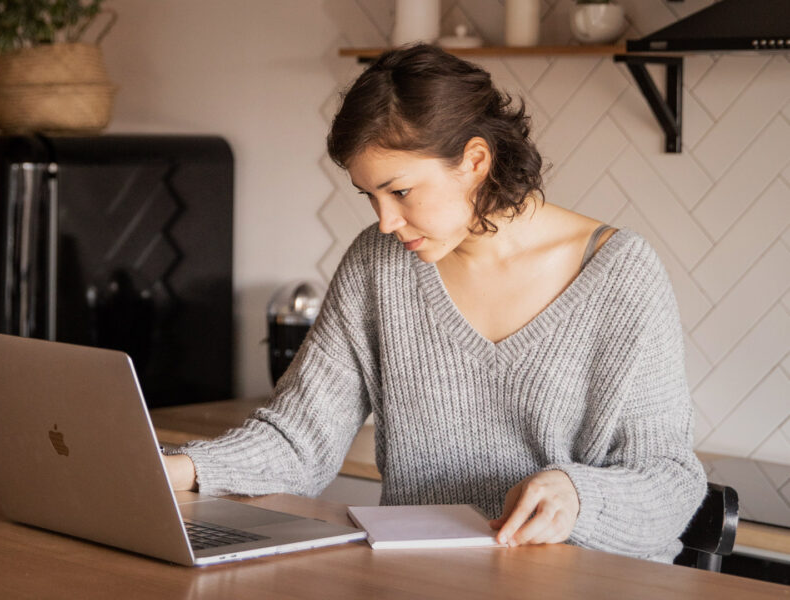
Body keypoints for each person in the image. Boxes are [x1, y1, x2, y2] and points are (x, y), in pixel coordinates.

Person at [163, 44, 706, 564]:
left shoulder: (620, 273)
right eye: (370, 196)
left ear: (474, 159)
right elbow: (300, 439)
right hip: (419, 579)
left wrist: (579, 495)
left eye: (399, 192)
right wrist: (178, 468)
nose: (385, 221)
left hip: (582, 583)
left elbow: (669, 479)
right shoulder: (379, 263)